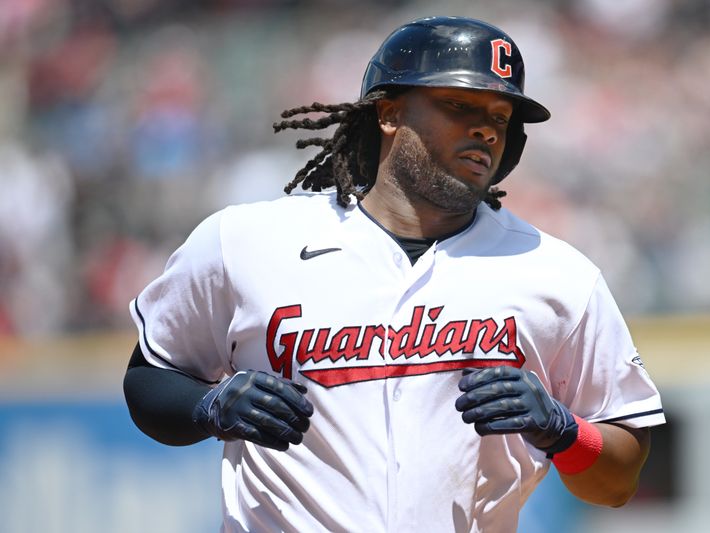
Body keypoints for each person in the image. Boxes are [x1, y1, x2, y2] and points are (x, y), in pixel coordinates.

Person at [123, 16, 665, 532]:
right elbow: (150, 377)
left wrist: (564, 432)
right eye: (458, 104)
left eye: (501, 117)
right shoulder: (247, 242)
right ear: (388, 114)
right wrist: (207, 406)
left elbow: (618, 481)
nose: (485, 129)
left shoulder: (558, 275)